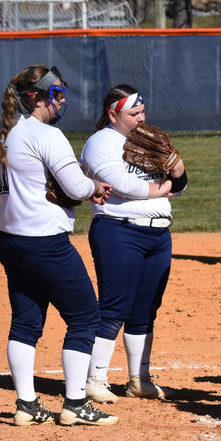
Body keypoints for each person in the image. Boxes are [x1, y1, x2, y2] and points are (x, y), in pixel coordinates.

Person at [0, 64, 118, 427]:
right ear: (37, 99)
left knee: (26, 322)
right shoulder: (46, 135)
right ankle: (76, 403)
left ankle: (27, 405)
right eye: (57, 94)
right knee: (85, 317)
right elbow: (77, 189)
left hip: (11, 240)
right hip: (44, 241)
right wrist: (93, 185)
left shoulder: (5, 135)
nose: (62, 100)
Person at [80, 84, 188, 404]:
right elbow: (124, 186)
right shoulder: (99, 143)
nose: (141, 119)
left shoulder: (147, 140)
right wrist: (164, 185)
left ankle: (139, 379)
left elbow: (180, 187)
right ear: (113, 115)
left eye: (142, 111)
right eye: (133, 113)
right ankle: (95, 378)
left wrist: (176, 169)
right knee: (114, 307)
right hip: (119, 230)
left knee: (145, 310)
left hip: (158, 234)